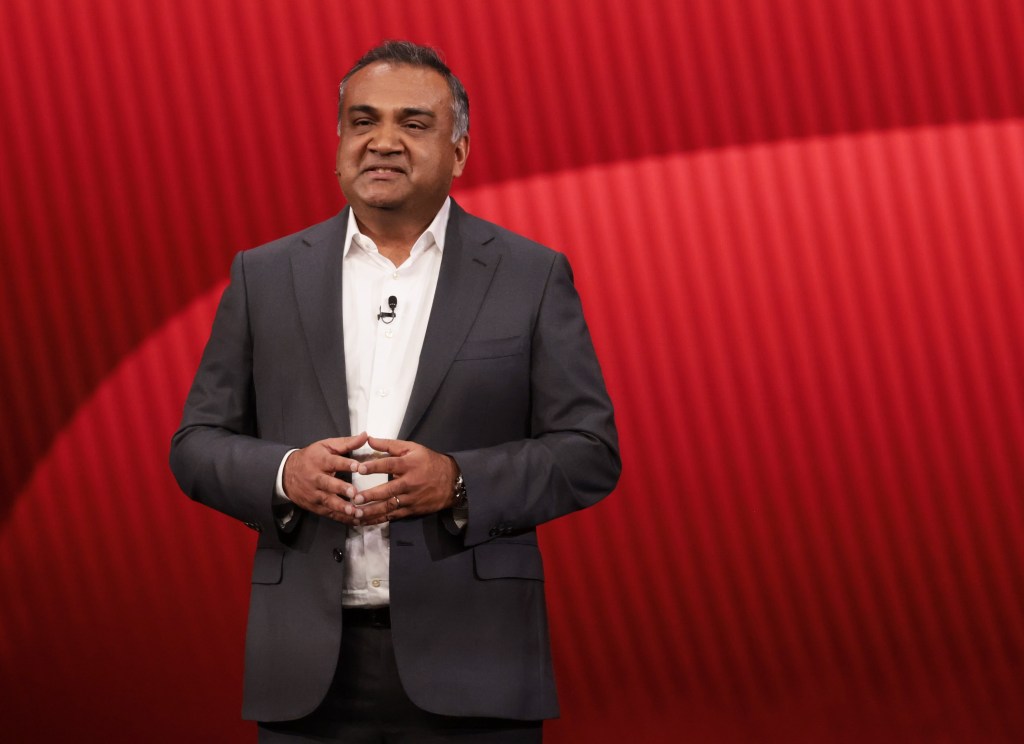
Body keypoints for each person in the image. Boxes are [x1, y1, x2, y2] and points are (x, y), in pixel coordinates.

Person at [170, 39, 619, 742]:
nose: (382, 142)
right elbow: (196, 445)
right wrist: (286, 474)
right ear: (339, 139)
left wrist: (459, 479)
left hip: (477, 668)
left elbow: (590, 452)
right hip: (305, 672)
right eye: (362, 121)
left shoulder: (531, 276)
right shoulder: (265, 276)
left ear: (460, 150)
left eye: (413, 124)